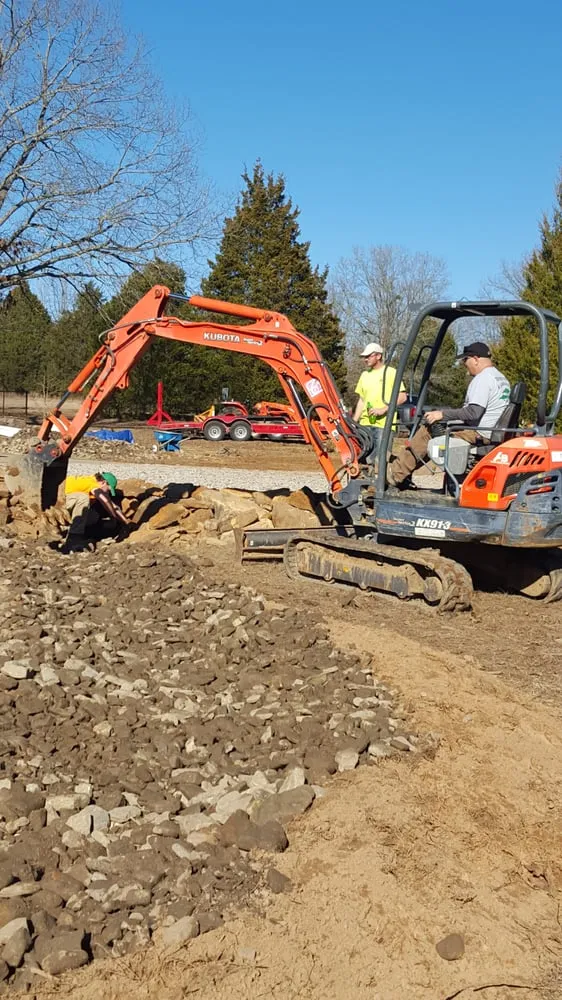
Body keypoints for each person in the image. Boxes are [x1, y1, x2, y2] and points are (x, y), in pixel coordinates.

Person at [387, 341, 511, 487]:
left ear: (476, 359)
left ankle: (395, 475)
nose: (465, 365)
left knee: (428, 431)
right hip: (490, 431)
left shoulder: (483, 379)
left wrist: (442, 414)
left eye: (466, 360)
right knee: (436, 430)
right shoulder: (500, 378)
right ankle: (405, 475)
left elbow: (474, 412)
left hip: (479, 433)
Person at [353, 342, 407, 463]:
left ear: (378, 356)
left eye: (368, 356)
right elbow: (362, 400)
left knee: (380, 461)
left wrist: (383, 409)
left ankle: (379, 481)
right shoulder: (364, 375)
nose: (365, 359)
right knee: (363, 459)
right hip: (365, 424)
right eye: (364, 357)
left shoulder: (391, 372)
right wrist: (354, 422)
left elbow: (402, 397)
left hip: (384, 424)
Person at [64, 471, 131, 543]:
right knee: (84, 498)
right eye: (108, 489)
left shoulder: (96, 484)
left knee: (93, 516)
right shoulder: (94, 485)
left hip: (73, 502)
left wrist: (125, 521)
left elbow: (112, 504)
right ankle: (74, 535)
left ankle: (80, 531)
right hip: (63, 502)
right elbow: (105, 501)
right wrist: (113, 517)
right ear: (103, 482)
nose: (107, 492)